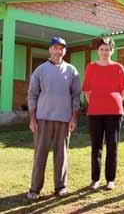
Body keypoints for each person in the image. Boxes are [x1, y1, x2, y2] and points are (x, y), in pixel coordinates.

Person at [27, 37, 81, 199]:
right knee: (40, 154)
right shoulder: (41, 70)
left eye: (62, 48)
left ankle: (60, 187)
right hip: (43, 119)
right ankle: (35, 188)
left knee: (61, 155)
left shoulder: (72, 70)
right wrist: (32, 119)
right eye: (56, 48)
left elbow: (76, 97)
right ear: (50, 49)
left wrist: (73, 118)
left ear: (65, 51)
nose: (59, 51)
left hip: (64, 120)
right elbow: (32, 95)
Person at [82, 37, 124, 190]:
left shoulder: (118, 67)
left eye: (107, 49)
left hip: (114, 112)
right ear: (98, 51)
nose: (104, 52)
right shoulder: (90, 67)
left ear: (112, 51)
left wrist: (113, 101)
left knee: (112, 145)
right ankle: (95, 179)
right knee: (96, 145)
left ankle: (110, 179)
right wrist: (95, 103)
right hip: (95, 112)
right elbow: (87, 90)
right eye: (102, 49)